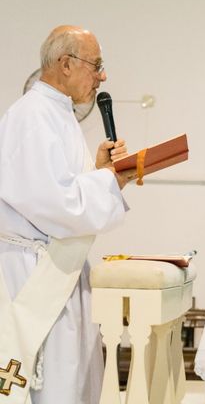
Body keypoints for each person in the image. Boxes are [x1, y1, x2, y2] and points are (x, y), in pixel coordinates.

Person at [0, 25, 136, 404]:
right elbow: (55, 205)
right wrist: (108, 180)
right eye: (97, 65)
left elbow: (61, 189)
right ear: (65, 64)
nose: (102, 76)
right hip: (36, 275)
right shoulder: (33, 116)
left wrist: (99, 173)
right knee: (53, 383)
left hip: (60, 268)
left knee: (73, 380)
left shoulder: (56, 113)